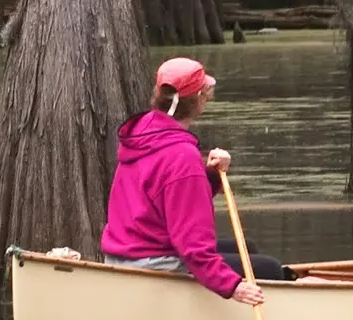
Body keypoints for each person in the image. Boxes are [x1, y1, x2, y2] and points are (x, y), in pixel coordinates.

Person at [101, 57, 291, 305]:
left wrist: (210, 175)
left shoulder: (143, 134)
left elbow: (172, 196)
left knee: (248, 247)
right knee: (270, 269)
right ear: (200, 99)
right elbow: (192, 243)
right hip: (154, 263)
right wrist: (232, 286)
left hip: (126, 254)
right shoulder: (182, 156)